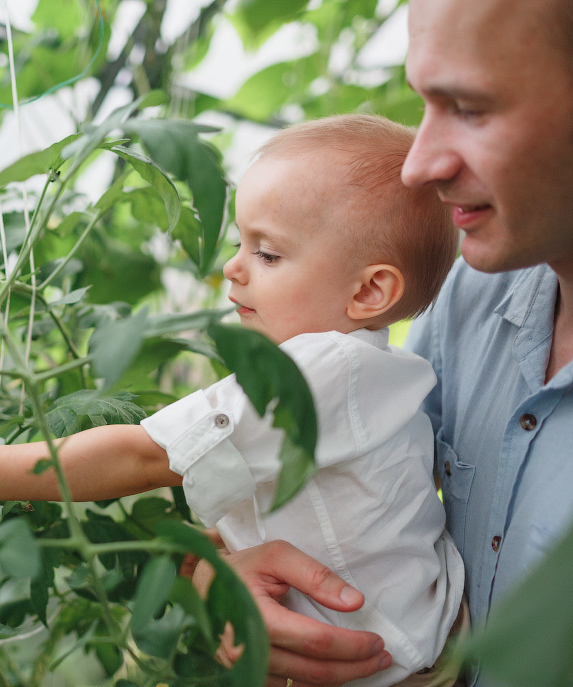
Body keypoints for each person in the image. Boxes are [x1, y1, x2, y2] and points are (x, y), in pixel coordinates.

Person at [0, 114, 465, 686]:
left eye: (268, 254)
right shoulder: (367, 373)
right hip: (398, 647)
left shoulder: (321, 372)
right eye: (242, 242)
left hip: (385, 667)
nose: (233, 267)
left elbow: (141, 456)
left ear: (368, 290)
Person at [220, 1, 573, 686]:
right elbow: (359, 489)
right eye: (425, 104)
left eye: (469, 108)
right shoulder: (473, 293)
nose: (420, 165)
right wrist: (230, 576)